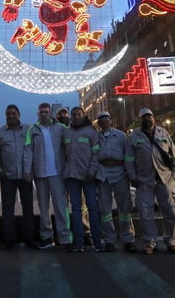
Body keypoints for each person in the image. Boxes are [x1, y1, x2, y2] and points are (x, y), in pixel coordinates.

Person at [126, 108, 175, 255]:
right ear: (140, 120)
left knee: (171, 210)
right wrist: (132, 176)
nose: (147, 119)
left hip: (164, 178)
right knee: (145, 213)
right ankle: (150, 242)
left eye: (149, 116)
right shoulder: (134, 136)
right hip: (144, 180)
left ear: (154, 118)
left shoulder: (163, 133)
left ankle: (172, 241)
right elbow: (129, 158)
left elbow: (174, 154)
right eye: (144, 117)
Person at [23, 102, 71, 249]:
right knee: (43, 208)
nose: (44, 114)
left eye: (46, 112)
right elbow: (28, 151)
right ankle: (46, 237)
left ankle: (65, 238)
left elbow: (70, 145)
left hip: (58, 173)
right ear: (38, 114)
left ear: (51, 113)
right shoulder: (32, 130)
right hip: (40, 174)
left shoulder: (61, 128)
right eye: (41, 112)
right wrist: (27, 170)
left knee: (61, 206)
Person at [94, 110, 136, 252]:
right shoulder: (96, 137)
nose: (104, 121)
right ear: (98, 122)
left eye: (106, 118)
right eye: (101, 119)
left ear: (110, 120)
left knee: (125, 208)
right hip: (103, 175)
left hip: (120, 174)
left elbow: (129, 155)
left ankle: (128, 238)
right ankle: (109, 240)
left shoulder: (121, 136)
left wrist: (130, 174)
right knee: (105, 210)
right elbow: (93, 155)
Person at [62, 106, 102, 252]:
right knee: (76, 209)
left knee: (92, 207)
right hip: (72, 176)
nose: (76, 117)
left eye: (79, 114)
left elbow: (96, 154)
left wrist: (92, 171)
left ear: (83, 116)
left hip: (88, 176)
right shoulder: (66, 132)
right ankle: (78, 242)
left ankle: (97, 241)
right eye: (74, 115)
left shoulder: (91, 132)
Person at [0, 104, 34, 249]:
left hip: (25, 176)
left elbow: (32, 150)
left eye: (13, 113)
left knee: (28, 208)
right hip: (8, 177)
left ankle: (29, 238)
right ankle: (9, 239)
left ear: (19, 114)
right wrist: (0, 170)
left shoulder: (28, 130)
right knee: (7, 209)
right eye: (8, 114)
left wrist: (30, 171)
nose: (11, 116)